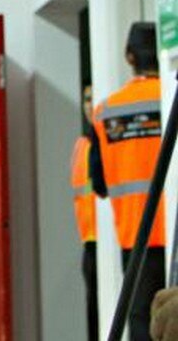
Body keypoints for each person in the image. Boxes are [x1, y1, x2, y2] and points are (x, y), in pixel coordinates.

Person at [90, 22, 164, 341]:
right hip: (172, 230)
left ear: (129, 57)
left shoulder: (105, 112)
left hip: (137, 236)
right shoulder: (169, 98)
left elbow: (100, 184)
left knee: (141, 319)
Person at [72, 85, 98, 341]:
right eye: (86, 99)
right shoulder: (81, 146)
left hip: (113, 241)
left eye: (94, 97)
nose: (90, 104)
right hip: (90, 243)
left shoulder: (106, 141)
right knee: (93, 315)